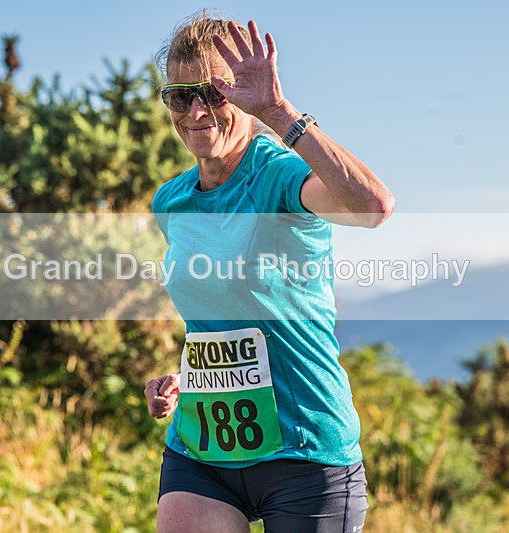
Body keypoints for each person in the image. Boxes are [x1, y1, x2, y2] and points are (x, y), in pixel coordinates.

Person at [144, 13, 394, 533]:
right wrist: (189, 379)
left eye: (214, 94)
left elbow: (372, 206)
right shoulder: (171, 201)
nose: (196, 111)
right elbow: (223, 321)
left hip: (305, 450)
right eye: (179, 96)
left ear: (242, 95)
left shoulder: (279, 175)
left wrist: (280, 112)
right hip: (204, 448)